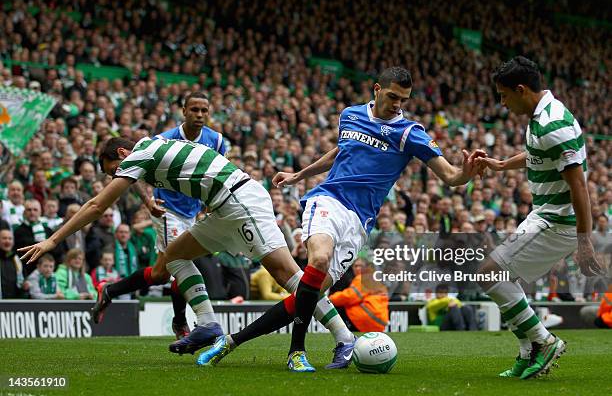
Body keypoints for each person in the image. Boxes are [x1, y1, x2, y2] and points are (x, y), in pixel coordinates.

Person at [198, 66, 484, 372]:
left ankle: (230, 342)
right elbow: (340, 152)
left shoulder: (409, 134)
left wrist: (465, 173)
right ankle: (297, 351)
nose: (397, 104)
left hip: (359, 222)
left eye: (403, 99)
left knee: (309, 295)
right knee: (317, 261)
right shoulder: (349, 115)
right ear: (376, 89)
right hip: (329, 201)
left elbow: (451, 175)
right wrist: (300, 174)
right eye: (392, 96)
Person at [19, 133, 354, 366]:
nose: (119, 177)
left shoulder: (140, 154)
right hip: (222, 208)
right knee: (172, 257)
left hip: (239, 202)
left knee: (287, 275)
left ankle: (343, 337)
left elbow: (95, 206)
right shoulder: (157, 145)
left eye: (115, 171)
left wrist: (52, 240)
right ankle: (207, 324)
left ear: (122, 155)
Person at [475, 56, 603, 379]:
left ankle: (544, 342)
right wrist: (502, 165)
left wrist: (584, 240)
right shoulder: (540, 116)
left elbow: (579, 185)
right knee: (500, 279)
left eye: (504, 95)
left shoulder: (553, 124)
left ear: (521, 89)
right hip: (542, 216)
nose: (502, 103)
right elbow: (537, 155)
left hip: (557, 223)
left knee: (490, 274)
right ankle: (528, 350)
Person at [329, 257, 389, 332]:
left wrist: (330, 299)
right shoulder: (374, 278)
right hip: (379, 321)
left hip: (367, 318)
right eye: (355, 266)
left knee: (336, 309)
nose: (357, 268)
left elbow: (349, 296)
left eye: (360, 266)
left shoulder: (364, 278)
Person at [0, 229, 26, 298]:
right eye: (4, 238)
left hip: (13, 304)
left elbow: (21, 283)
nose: (7, 241)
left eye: (10, 239)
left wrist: (24, 287)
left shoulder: (17, 259)